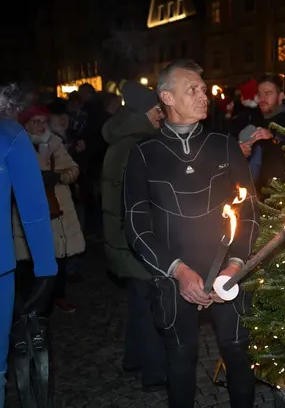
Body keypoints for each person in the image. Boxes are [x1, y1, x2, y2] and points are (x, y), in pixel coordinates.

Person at [124, 59, 260, 408]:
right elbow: (136, 226)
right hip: (174, 276)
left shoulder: (223, 144)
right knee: (180, 357)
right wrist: (179, 271)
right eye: (193, 89)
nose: (204, 96)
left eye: (203, 88)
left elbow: (249, 210)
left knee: (237, 351)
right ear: (167, 97)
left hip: (228, 272)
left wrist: (235, 265)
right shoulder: (144, 154)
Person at [101, 80, 167, 391]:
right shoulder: (139, 145)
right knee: (149, 304)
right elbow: (142, 199)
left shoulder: (122, 140)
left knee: (138, 299)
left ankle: (133, 358)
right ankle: (155, 373)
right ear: (142, 113)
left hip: (122, 236)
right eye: (156, 110)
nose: (161, 115)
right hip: (135, 238)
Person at [0, 84, 57, 407]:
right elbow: (33, 210)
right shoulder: (8, 135)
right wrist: (46, 271)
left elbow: (33, 208)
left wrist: (46, 270)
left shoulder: (8, 135)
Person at [14, 105, 85, 314]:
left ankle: (58, 296)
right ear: (25, 124)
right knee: (30, 259)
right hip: (30, 208)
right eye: (35, 121)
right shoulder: (17, 146)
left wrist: (59, 176)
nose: (40, 125)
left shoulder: (55, 143)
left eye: (43, 121)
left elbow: (73, 169)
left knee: (60, 255)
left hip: (58, 206)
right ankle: (31, 306)